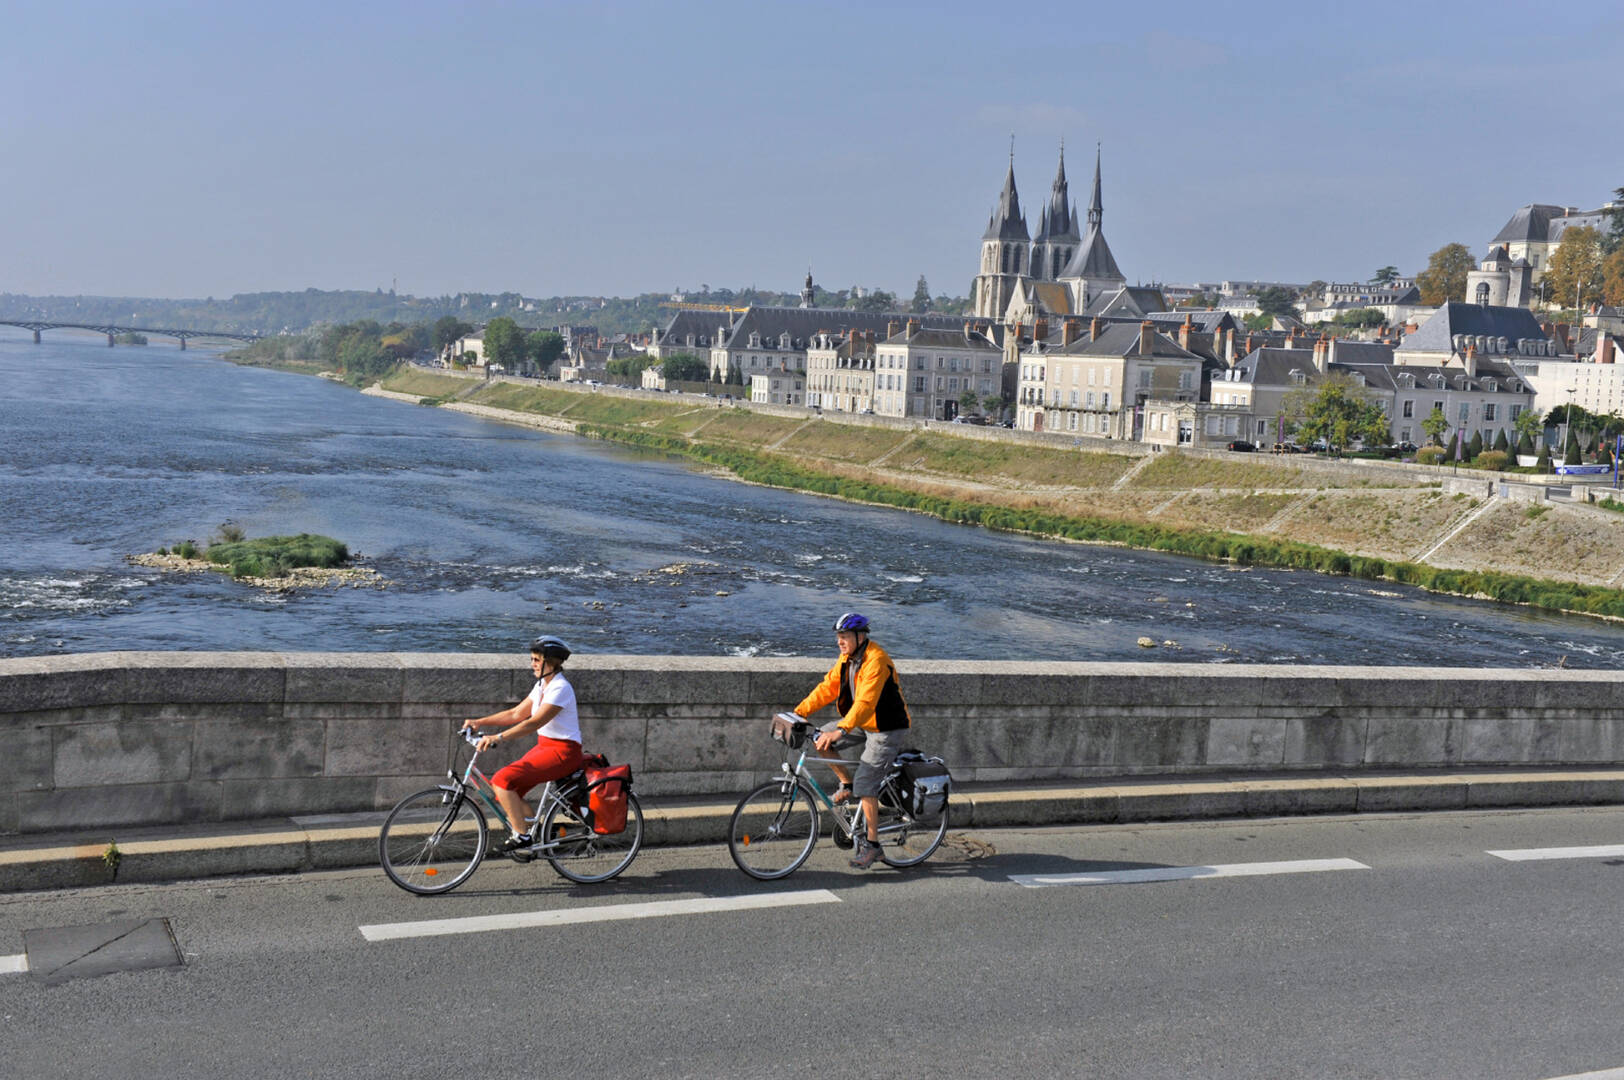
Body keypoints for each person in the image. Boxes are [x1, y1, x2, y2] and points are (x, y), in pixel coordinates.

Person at [794, 612, 912, 870]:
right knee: (820, 739)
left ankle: (873, 846)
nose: (840, 642)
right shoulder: (847, 658)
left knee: (865, 783)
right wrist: (799, 712)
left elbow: (865, 703)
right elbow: (828, 687)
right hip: (861, 721)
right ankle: (845, 783)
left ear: (860, 637)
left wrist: (842, 730)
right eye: (838, 637)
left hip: (886, 728)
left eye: (844, 636)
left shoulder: (876, 660)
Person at [460, 635, 582, 854]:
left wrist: (497, 738)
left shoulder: (560, 688)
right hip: (546, 747)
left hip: (563, 752)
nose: (532, 664)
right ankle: (537, 832)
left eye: (536, 659)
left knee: (502, 779)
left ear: (551, 663)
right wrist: (479, 722)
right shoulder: (542, 686)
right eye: (532, 659)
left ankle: (522, 836)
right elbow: (515, 713)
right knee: (505, 791)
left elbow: (534, 722)